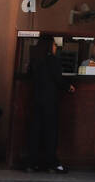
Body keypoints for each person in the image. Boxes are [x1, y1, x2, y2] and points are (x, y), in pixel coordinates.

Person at [27, 39, 73, 173]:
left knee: (35, 131)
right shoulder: (53, 60)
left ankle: (32, 162)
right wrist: (68, 86)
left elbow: (29, 75)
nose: (55, 47)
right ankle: (51, 163)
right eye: (54, 44)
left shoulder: (35, 60)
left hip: (36, 99)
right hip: (50, 101)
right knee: (50, 132)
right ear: (48, 46)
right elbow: (58, 79)